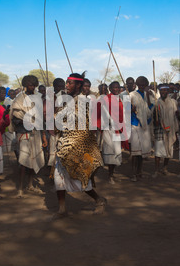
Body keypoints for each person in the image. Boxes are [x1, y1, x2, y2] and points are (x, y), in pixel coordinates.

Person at [53, 72, 107, 219]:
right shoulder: (65, 101)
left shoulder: (84, 102)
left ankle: (99, 200)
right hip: (63, 145)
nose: (67, 85)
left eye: (70, 83)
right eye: (66, 83)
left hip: (77, 146)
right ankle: (62, 208)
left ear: (78, 85)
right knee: (59, 179)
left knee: (80, 180)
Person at [9, 76, 47, 197]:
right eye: (30, 85)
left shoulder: (38, 98)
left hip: (36, 133)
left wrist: (44, 136)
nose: (32, 87)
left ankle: (30, 185)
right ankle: (20, 188)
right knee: (24, 161)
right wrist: (26, 121)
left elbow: (41, 119)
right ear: (26, 85)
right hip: (24, 132)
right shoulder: (19, 99)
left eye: (34, 85)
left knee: (34, 158)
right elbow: (15, 117)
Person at [99, 81, 124, 184]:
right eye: (114, 88)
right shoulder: (105, 99)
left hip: (117, 129)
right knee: (110, 152)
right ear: (110, 88)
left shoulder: (120, 99)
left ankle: (112, 173)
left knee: (117, 151)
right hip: (108, 129)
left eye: (118, 87)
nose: (116, 89)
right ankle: (110, 175)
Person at [129, 76, 153, 181]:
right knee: (135, 152)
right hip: (134, 124)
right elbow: (125, 109)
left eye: (144, 85)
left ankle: (140, 172)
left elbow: (150, 109)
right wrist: (131, 109)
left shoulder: (149, 95)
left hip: (145, 125)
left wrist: (147, 96)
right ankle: (134, 173)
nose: (142, 87)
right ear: (137, 85)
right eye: (141, 85)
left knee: (142, 152)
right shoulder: (132, 95)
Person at [152, 84, 179, 177]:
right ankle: (156, 170)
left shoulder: (173, 102)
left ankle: (165, 168)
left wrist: (176, 129)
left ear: (168, 91)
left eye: (165, 90)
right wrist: (155, 119)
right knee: (158, 152)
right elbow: (153, 117)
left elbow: (176, 116)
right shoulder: (156, 103)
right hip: (160, 129)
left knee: (169, 149)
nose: (163, 92)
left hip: (170, 129)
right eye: (161, 90)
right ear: (159, 91)